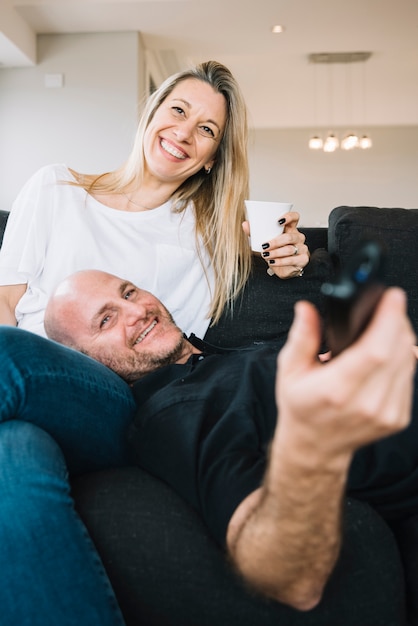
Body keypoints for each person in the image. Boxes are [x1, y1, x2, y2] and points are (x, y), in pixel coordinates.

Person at [0, 267, 415, 625]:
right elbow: (295, 579)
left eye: (129, 292)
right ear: (86, 362)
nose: (136, 310)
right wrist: (303, 440)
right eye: (106, 320)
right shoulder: (178, 409)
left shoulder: (231, 357)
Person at [0, 60, 309, 341]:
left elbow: (275, 263)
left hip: (107, 382)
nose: (184, 132)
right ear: (153, 111)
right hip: (26, 360)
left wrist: (290, 262)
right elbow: (5, 301)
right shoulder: (54, 187)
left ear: (212, 159)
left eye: (206, 129)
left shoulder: (211, 236)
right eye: (178, 110)